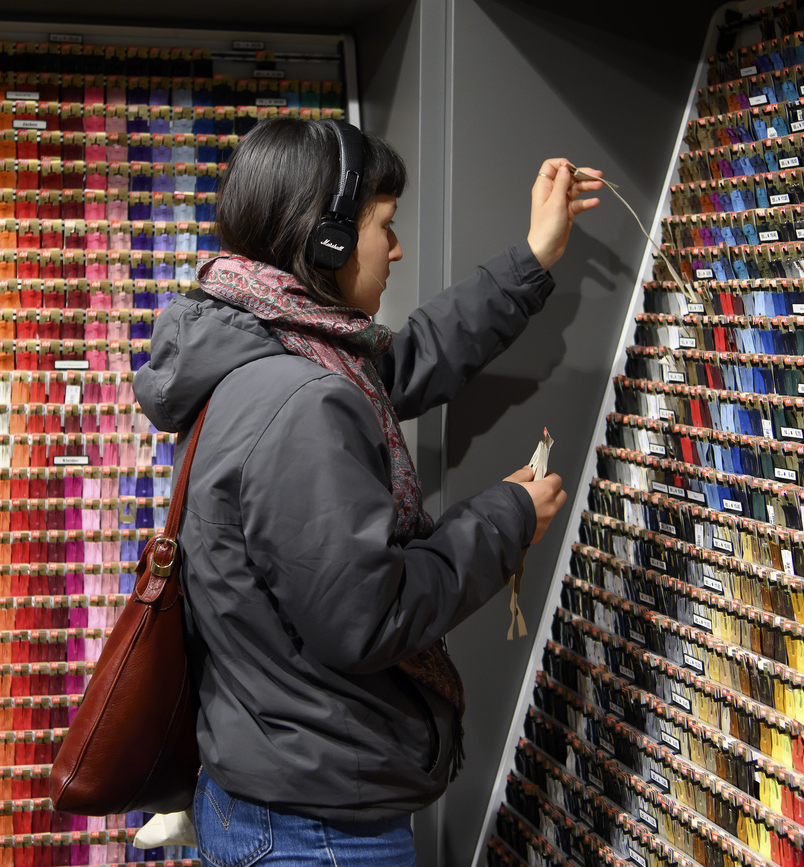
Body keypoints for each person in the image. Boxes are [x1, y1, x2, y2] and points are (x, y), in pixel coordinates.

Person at [132, 117, 602, 866]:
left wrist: (533, 256)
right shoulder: (302, 402)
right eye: (384, 225)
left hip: (280, 789)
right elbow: (370, 615)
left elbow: (411, 356)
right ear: (326, 241)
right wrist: (507, 516)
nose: (397, 246)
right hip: (316, 831)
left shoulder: (264, 348)